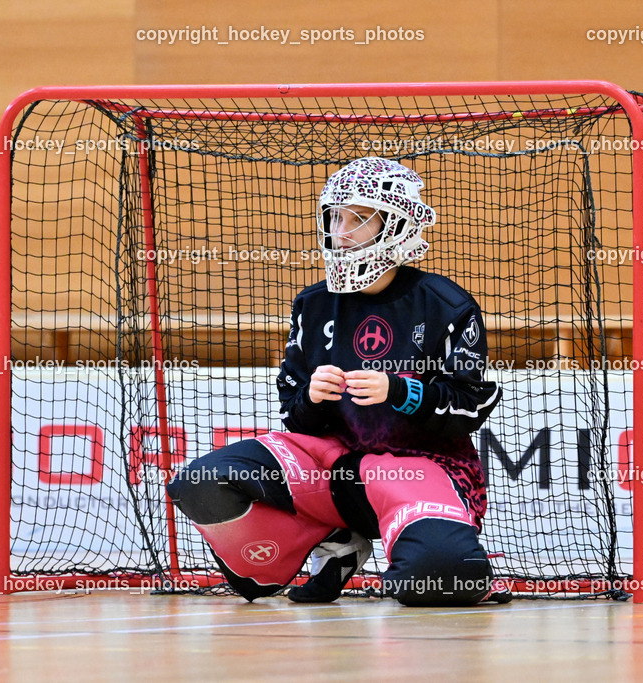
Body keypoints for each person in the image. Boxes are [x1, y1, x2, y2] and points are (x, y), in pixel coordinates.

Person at [166, 156, 510, 606]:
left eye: (358, 219)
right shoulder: (312, 304)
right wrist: (311, 396)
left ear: (397, 225)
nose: (340, 232)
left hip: (418, 467)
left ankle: (427, 549)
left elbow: (471, 407)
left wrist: (401, 391)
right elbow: (294, 416)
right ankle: (335, 542)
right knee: (202, 481)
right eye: (335, 217)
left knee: (439, 578)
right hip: (329, 466)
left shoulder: (446, 304)